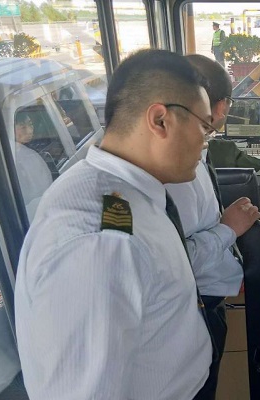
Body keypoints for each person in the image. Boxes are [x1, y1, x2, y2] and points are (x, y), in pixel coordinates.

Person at [15, 49, 214, 399]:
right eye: (205, 126)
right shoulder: (101, 242)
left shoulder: (121, 191)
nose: (206, 140)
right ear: (160, 120)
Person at [166, 53, 260, 400]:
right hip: (193, 307)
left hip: (208, 299)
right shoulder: (172, 171)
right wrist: (228, 229)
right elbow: (175, 261)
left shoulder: (197, 149)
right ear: (220, 107)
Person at [12, 111, 53, 221]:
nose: (29, 130)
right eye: (22, 127)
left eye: (30, 124)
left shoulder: (31, 153)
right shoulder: (22, 155)